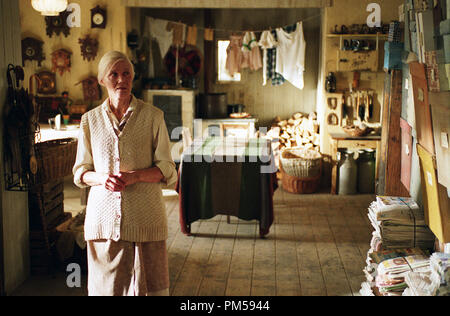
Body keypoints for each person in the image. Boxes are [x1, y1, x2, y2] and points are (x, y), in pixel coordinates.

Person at [72, 51, 177, 296]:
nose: (121, 80)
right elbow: (80, 172)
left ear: (133, 77)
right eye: (114, 74)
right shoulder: (89, 121)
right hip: (104, 222)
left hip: (146, 220)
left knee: (150, 291)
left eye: (126, 73)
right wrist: (101, 178)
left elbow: (168, 169)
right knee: (106, 291)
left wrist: (136, 176)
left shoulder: (153, 117)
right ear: (102, 81)